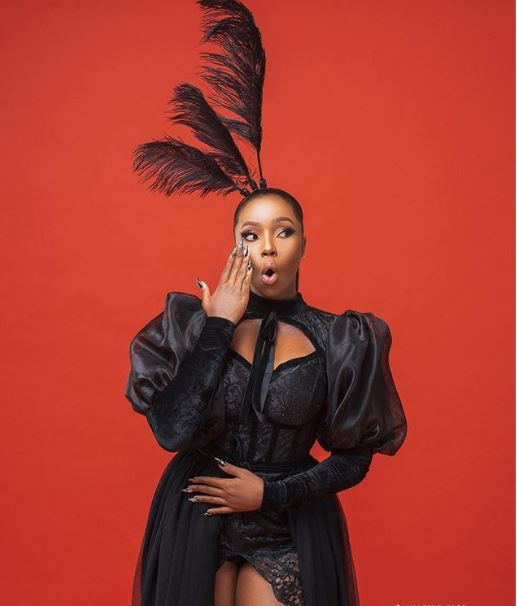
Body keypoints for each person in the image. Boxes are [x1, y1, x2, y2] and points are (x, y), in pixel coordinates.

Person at [125, 2, 407, 604]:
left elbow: (355, 458)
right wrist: (218, 327)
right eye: (250, 235)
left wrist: (269, 493)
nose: (268, 246)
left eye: (284, 231)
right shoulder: (191, 324)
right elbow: (171, 433)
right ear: (236, 247)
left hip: (288, 523)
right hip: (195, 520)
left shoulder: (341, 338)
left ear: (304, 243)